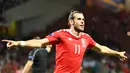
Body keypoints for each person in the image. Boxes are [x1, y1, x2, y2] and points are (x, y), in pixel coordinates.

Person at [2, 10, 127, 73]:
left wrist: (116, 53)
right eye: (79, 19)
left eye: (83, 19)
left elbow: (101, 49)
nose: (82, 21)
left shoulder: (86, 38)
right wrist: (19, 43)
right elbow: (40, 43)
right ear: (71, 22)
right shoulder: (61, 34)